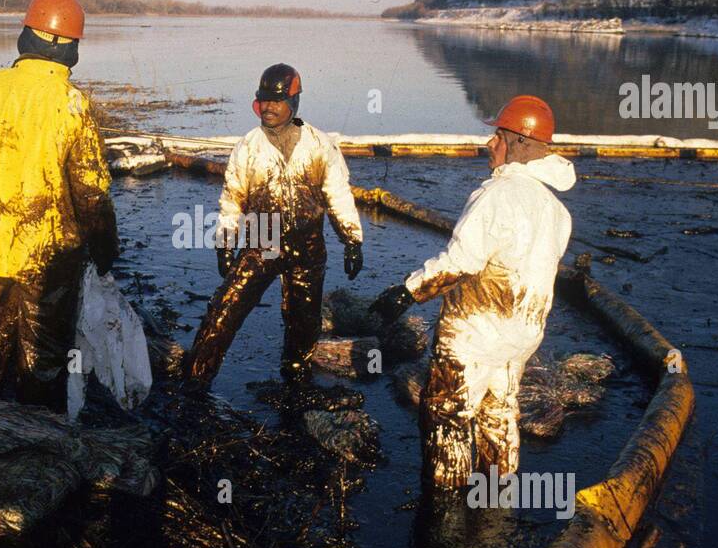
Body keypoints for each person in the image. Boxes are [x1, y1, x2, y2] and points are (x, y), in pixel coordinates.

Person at [371, 95, 575, 493]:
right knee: (499, 413)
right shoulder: (556, 211)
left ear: (518, 142)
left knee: (447, 414)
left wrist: (406, 293)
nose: (489, 144)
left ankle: (445, 506)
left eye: (497, 136)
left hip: (476, 331)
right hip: (521, 335)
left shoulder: (496, 196)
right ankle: (497, 501)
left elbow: (460, 263)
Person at [0, 0, 118, 411]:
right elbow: (91, 189)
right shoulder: (72, 104)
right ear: (70, 49)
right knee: (43, 345)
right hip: (49, 251)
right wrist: (105, 244)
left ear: (26, 37)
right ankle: (37, 428)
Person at [183, 63, 363, 400]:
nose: (268, 107)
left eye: (277, 101)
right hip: (261, 239)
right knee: (226, 307)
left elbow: (338, 193)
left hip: (308, 244)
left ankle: (296, 379)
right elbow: (232, 197)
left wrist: (352, 239)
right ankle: (195, 381)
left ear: (294, 102)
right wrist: (225, 241)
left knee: (304, 319)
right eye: (263, 100)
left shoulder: (320, 144)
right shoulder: (248, 146)